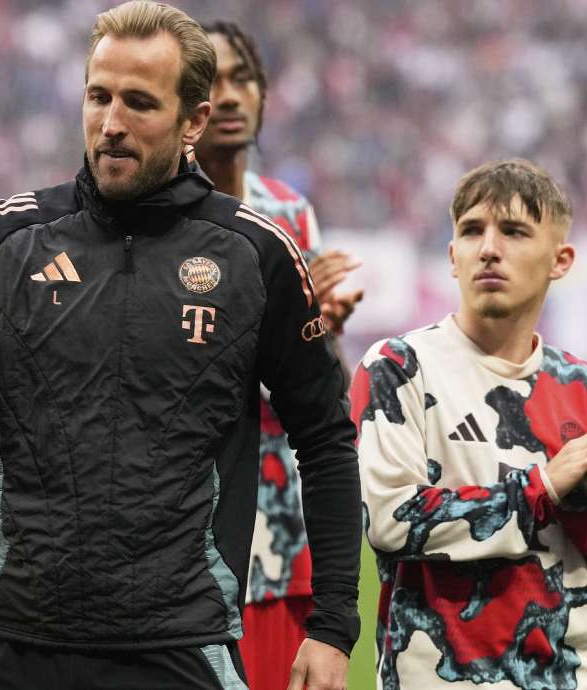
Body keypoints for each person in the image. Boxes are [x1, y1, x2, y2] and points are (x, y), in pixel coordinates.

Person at [0, 3, 361, 689]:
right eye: (98, 96)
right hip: (13, 645)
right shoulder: (3, 240)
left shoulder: (256, 254)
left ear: (193, 121)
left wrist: (334, 627)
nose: (111, 124)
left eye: (139, 103)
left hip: (180, 646)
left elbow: (327, 437)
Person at [351, 159, 587, 690]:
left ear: (561, 260)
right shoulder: (398, 368)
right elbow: (390, 520)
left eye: (514, 232)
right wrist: (544, 488)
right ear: (452, 256)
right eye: (472, 231)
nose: (489, 248)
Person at [194, 20, 363, 690]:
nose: (230, 95)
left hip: (288, 527)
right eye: (211, 80)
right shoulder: (158, 216)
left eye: (244, 78)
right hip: (195, 527)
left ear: (264, 96)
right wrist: (281, 325)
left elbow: (323, 389)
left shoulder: (289, 212)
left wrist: (319, 329)